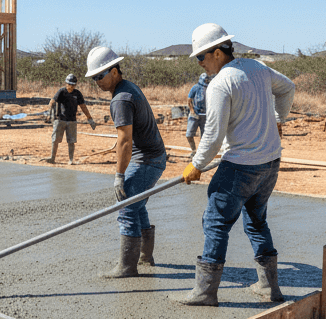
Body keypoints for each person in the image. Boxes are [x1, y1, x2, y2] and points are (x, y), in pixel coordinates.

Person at [180, 23, 295, 306]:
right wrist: (280, 119)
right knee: (257, 221)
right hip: (270, 163)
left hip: (240, 165)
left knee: (216, 223)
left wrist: (196, 164)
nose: (201, 63)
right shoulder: (258, 68)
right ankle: (269, 288)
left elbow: (214, 135)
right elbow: (288, 87)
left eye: (201, 57)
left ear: (218, 52)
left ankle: (205, 292)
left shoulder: (220, 84)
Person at [85, 46, 166, 277]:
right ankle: (145, 257)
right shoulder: (129, 88)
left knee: (127, 207)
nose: (98, 82)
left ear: (114, 71)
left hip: (148, 159)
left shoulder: (121, 98)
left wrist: (119, 176)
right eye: (94, 78)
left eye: (101, 76)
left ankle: (127, 267)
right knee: (137, 205)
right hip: (154, 156)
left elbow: (125, 141)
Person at [45, 73, 96, 164]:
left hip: (72, 121)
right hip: (60, 120)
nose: (71, 86)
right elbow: (52, 101)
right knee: (55, 140)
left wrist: (89, 118)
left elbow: (83, 106)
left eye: (73, 85)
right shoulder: (61, 92)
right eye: (69, 84)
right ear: (66, 83)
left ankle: (71, 160)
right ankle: (52, 158)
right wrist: (49, 113)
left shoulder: (77, 94)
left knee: (71, 141)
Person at [185, 73, 211, 156]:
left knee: (204, 136)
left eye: (207, 80)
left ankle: (200, 153)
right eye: (205, 80)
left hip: (205, 115)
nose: (206, 81)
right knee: (189, 134)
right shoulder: (195, 87)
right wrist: (192, 111)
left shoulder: (210, 88)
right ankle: (194, 150)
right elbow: (189, 100)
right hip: (195, 114)